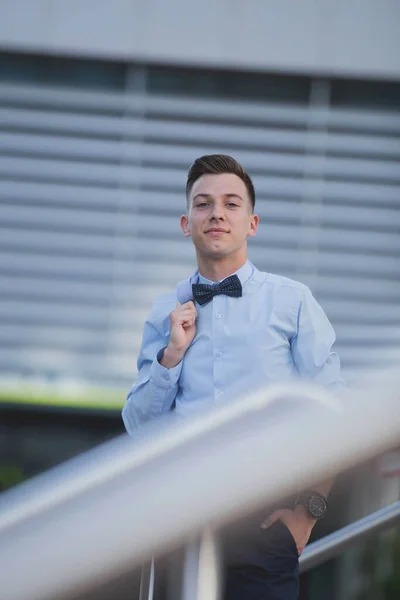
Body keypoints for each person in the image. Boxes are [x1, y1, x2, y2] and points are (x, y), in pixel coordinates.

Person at [122, 154, 345, 600]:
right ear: (187, 224)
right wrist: (172, 355)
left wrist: (307, 513)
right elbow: (140, 426)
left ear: (252, 223)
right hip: (178, 523)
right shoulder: (164, 310)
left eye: (231, 203)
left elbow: (334, 413)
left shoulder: (293, 302)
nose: (217, 213)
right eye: (203, 204)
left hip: (265, 522)